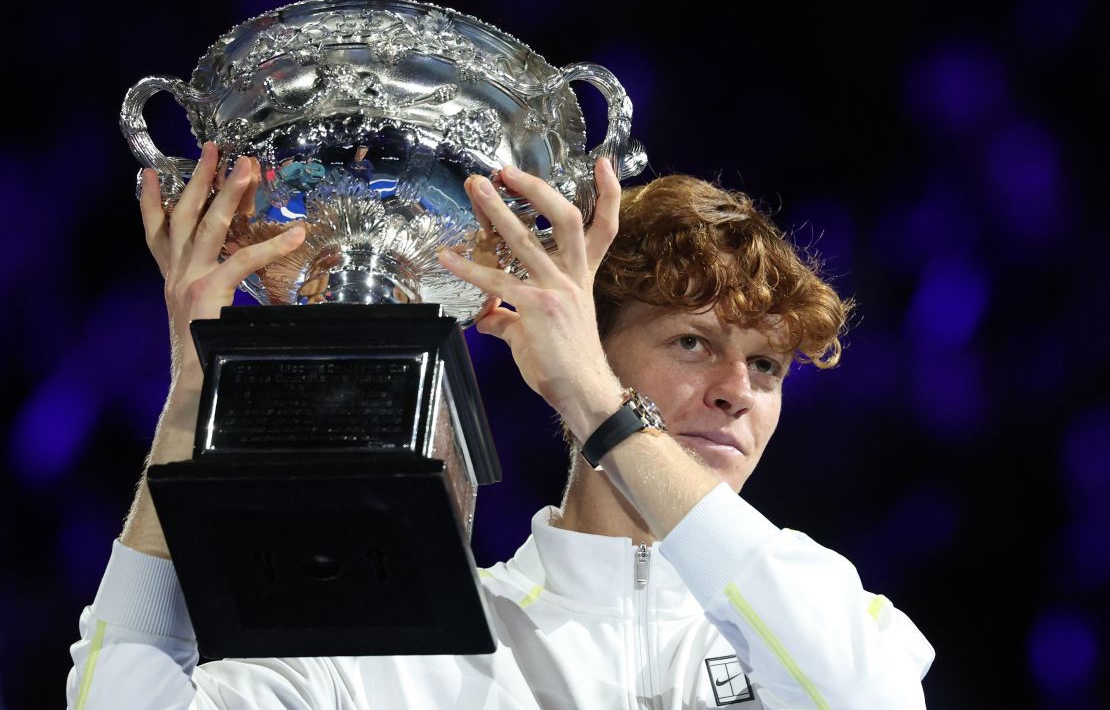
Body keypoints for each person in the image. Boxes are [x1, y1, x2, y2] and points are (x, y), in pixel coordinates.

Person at [67, 144, 934, 709]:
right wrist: (194, 396)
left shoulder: (844, 623)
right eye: (691, 342)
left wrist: (599, 404)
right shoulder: (418, 643)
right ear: (586, 339)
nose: (735, 391)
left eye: (768, 368)